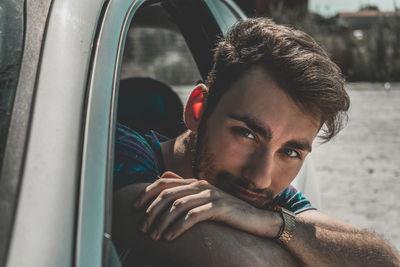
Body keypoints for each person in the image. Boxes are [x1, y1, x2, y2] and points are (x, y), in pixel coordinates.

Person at [112, 18, 400, 266]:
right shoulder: (117, 154)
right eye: (247, 134)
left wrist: (275, 224)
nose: (260, 177)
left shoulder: (268, 201)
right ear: (197, 110)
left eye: (289, 151)